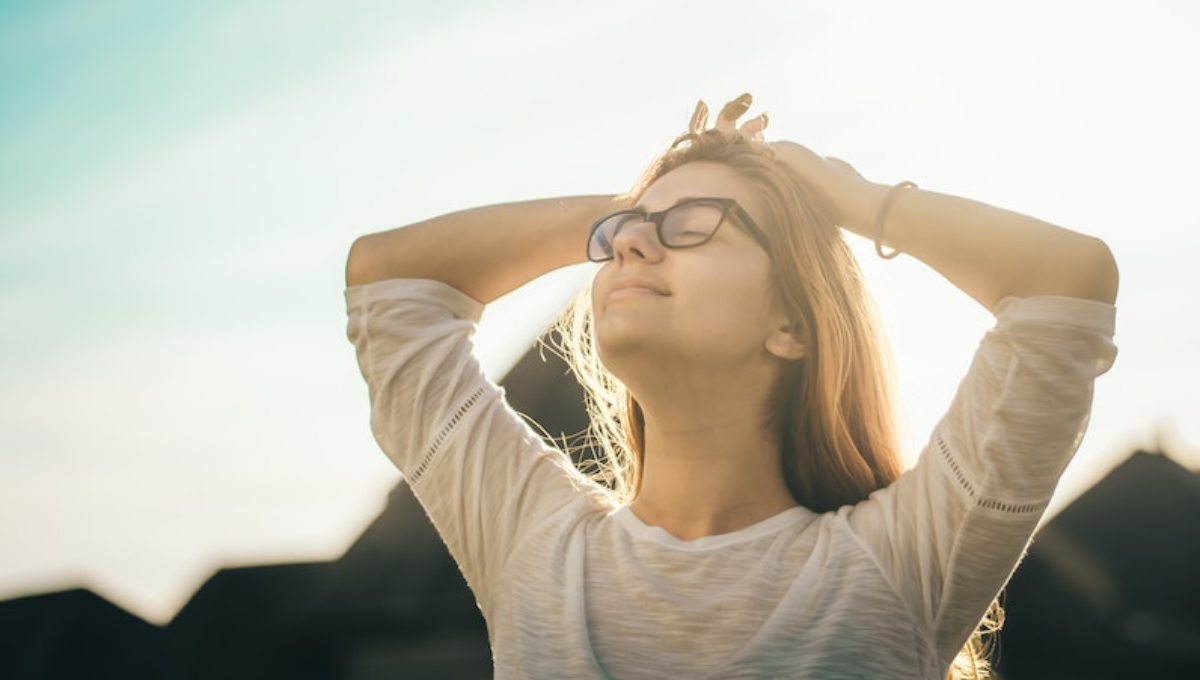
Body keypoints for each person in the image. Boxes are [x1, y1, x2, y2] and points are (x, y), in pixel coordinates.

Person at [344, 94, 1118, 679]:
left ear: (794, 326)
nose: (634, 245)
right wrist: (635, 204)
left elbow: (1065, 282)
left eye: (697, 224)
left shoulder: (899, 561)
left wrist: (851, 199)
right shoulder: (533, 545)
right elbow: (389, 280)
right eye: (623, 236)